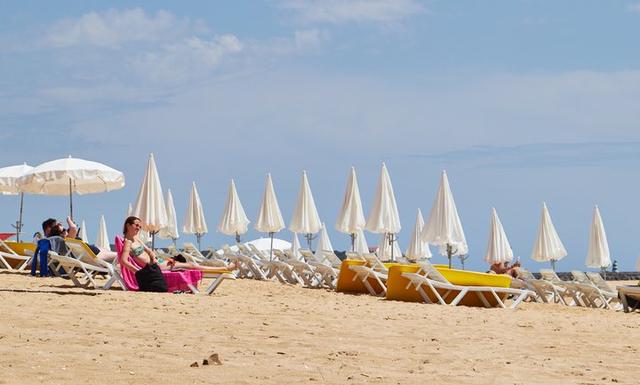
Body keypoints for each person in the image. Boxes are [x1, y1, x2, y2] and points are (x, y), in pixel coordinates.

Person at [120, 216, 235, 290]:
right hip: (154, 267)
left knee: (190, 265)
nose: (138, 228)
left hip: (158, 263)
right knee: (192, 265)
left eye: (140, 226)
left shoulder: (137, 239)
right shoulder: (128, 242)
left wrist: (152, 255)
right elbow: (123, 261)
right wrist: (139, 272)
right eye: (136, 225)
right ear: (128, 225)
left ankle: (224, 268)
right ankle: (224, 269)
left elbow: (149, 252)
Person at [41, 217, 117, 262]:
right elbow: (73, 228)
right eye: (60, 225)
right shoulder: (67, 239)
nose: (66, 230)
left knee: (113, 253)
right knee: (120, 254)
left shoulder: (59, 241)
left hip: (93, 252)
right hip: (94, 256)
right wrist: (68, 219)